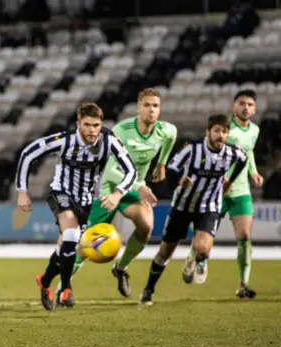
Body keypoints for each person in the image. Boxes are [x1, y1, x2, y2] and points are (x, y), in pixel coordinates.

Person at [15, 103, 137, 310]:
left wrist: (118, 194)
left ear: (101, 125)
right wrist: (22, 191)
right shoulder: (66, 141)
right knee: (71, 235)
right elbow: (28, 153)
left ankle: (45, 281)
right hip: (61, 193)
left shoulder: (110, 142)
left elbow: (131, 171)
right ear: (78, 123)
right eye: (87, 125)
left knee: (66, 246)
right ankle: (66, 289)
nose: (91, 130)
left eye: (96, 125)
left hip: (86, 200)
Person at [69, 88, 177, 297]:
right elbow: (111, 171)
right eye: (146, 105)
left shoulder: (166, 130)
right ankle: (64, 286)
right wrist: (139, 186)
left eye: (155, 106)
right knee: (87, 243)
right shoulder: (121, 131)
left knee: (146, 226)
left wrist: (162, 163)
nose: (151, 110)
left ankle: (121, 268)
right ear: (138, 108)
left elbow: (172, 138)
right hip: (108, 188)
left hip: (131, 190)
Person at [140, 114, 248, 305]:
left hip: (209, 206)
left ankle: (198, 259)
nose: (220, 135)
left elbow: (243, 159)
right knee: (165, 252)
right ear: (208, 132)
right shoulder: (191, 150)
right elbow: (171, 170)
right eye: (216, 131)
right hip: (182, 206)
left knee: (203, 249)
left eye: (224, 131)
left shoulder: (232, 153)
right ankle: (149, 289)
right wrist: (180, 180)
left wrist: (229, 180)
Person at [183, 90, 263, 299]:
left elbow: (249, 151)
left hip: (241, 191)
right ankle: (196, 259)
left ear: (254, 110)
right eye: (242, 103)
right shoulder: (223, 130)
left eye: (250, 104)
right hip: (215, 191)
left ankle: (243, 284)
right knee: (205, 236)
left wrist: (253, 171)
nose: (246, 107)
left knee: (245, 236)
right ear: (233, 107)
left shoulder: (254, 130)